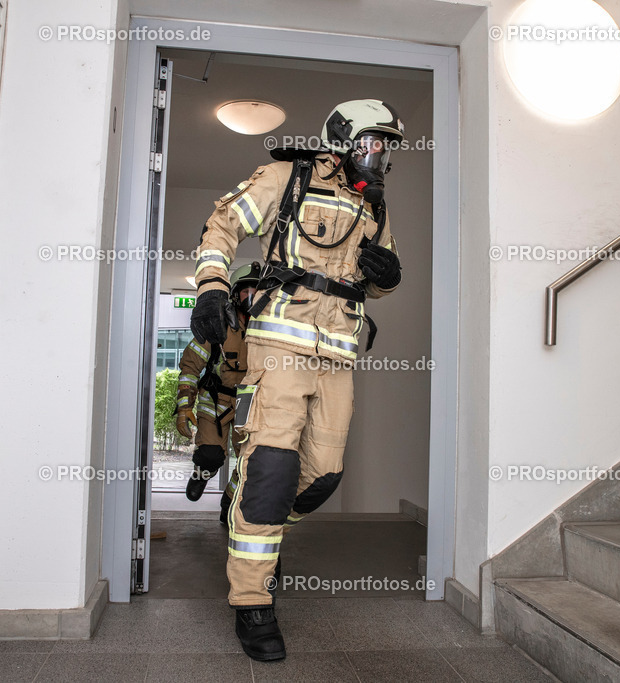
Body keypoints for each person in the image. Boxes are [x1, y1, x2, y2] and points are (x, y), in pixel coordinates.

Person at [189, 99, 404, 661]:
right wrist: (212, 286)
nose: (379, 156)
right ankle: (253, 602)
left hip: (338, 356)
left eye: (386, 147)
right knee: (271, 470)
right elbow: (223, 224)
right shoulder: (287, 177)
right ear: (343, 139)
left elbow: (376, 280)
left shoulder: (375, 205)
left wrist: (387, 277)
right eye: (371, 143)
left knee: (322, 476)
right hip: (278, 348)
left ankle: (251, 521)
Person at [176, 264, 261, 521]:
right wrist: (184, 407)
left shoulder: (269, 331)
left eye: (257, 291)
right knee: (210, 455)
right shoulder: (217, 326)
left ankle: (229, 500)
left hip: (251, 404)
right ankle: (202, 471)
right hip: (215, 401)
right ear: (234, 295)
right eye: (246, 291)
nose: (252, 296)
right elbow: (190, 367)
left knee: (252, 463)